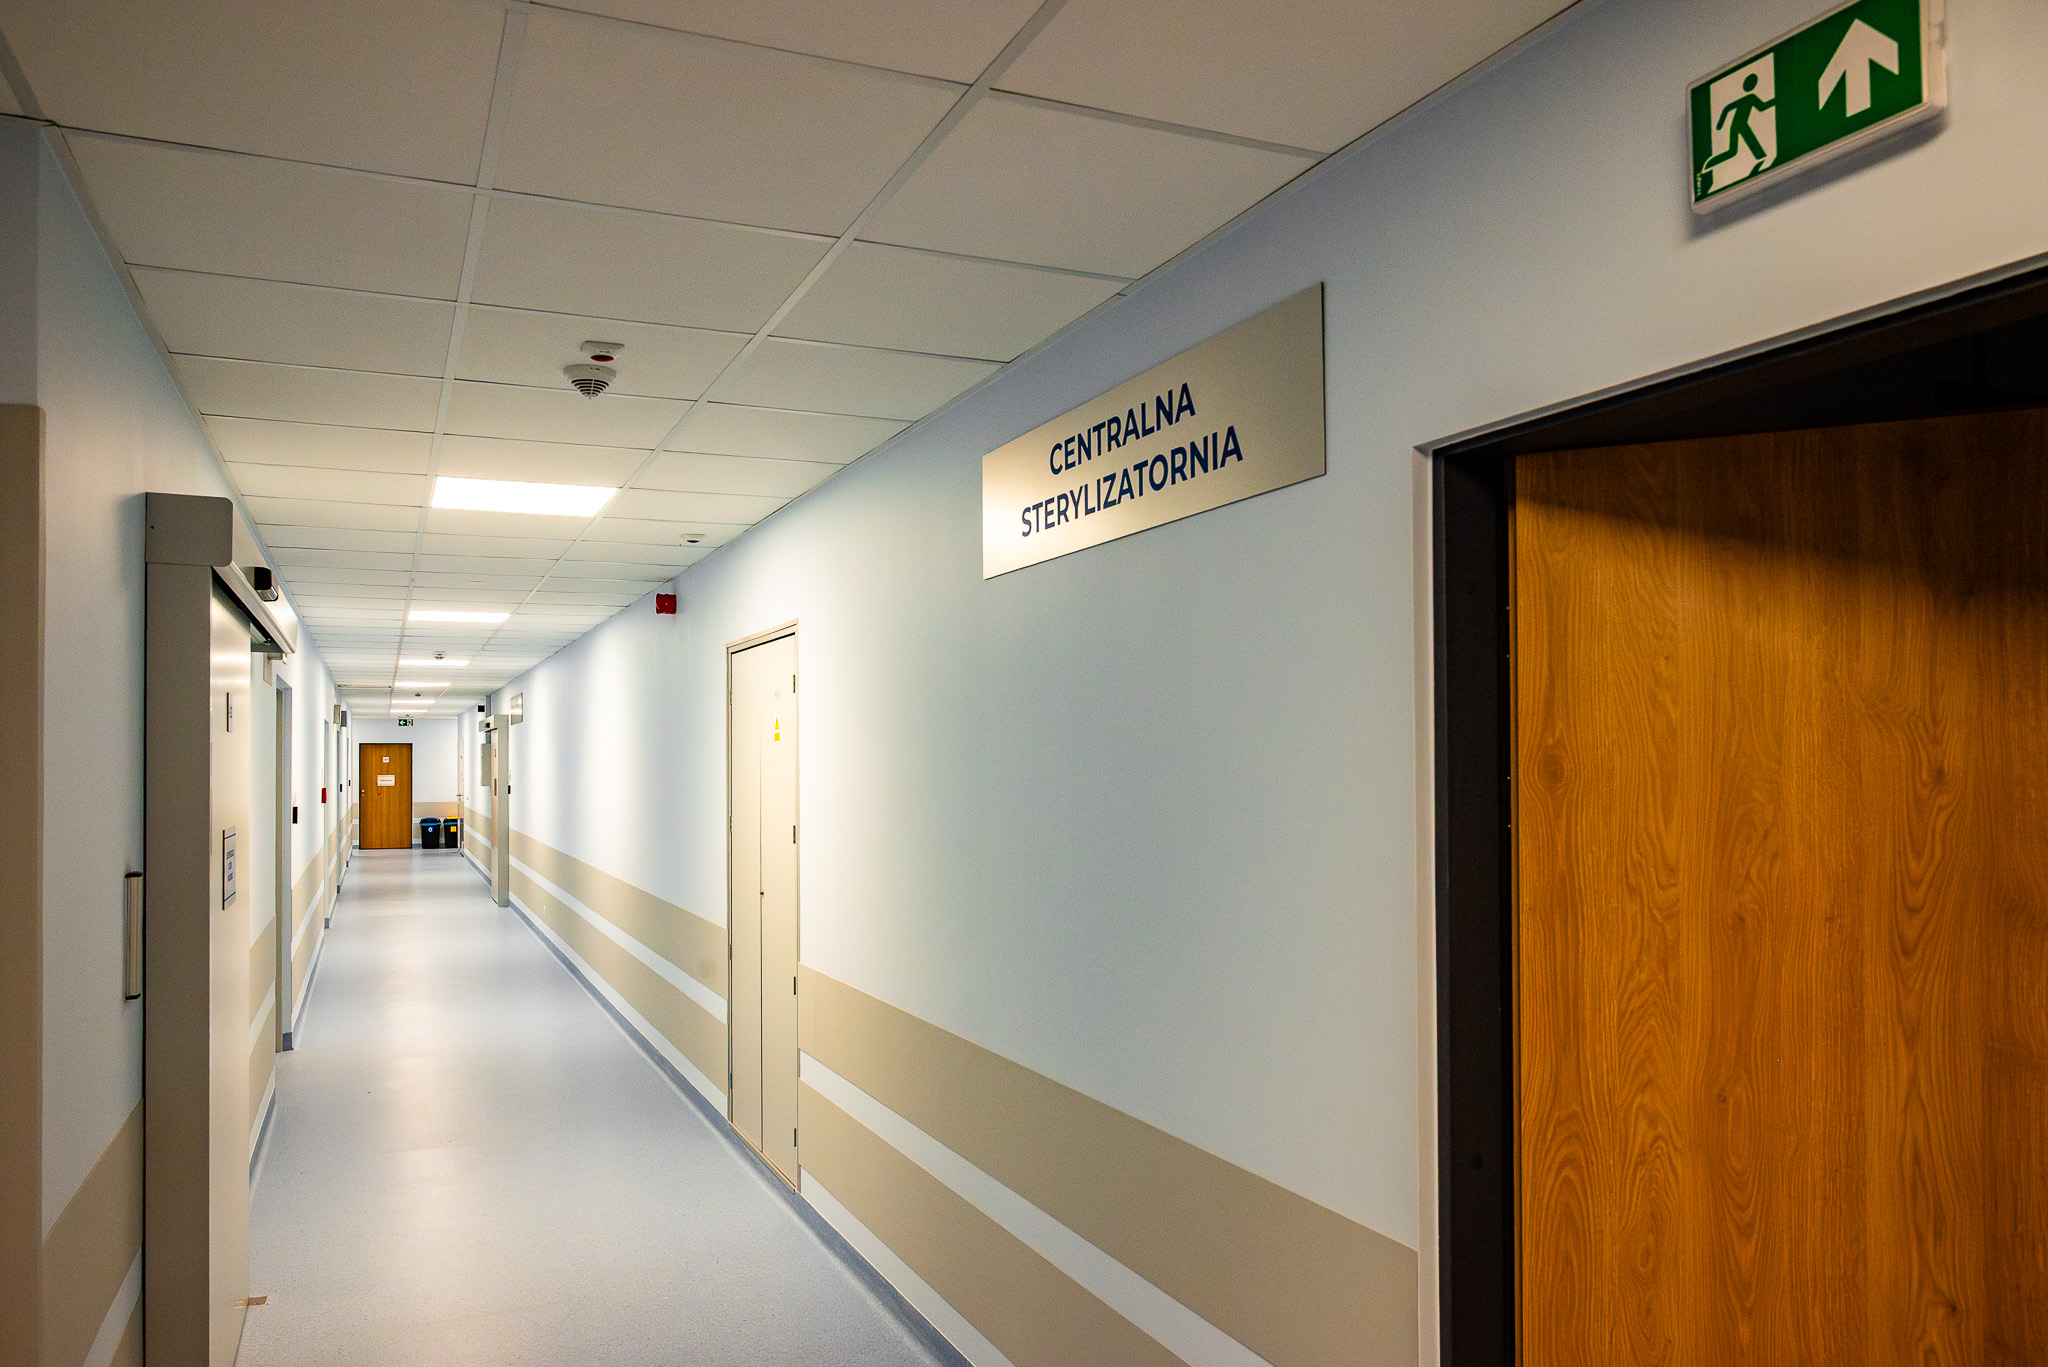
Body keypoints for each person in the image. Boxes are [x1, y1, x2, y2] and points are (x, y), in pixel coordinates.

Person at [1704, 73, 1773, 175]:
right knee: (1734, 152)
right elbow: (1762, 106)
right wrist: (1719, 124)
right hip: (1739, 126)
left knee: (1739, 152)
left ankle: (1708, 165)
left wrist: (1720, 124)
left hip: (1740, 125)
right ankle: (1708, 166)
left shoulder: (1751, 97)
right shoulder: (1750, 98)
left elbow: (1761, 107)